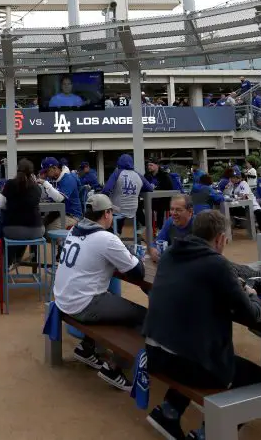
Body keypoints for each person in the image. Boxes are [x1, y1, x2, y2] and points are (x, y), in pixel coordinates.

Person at [143, 211, 261, 440]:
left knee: (190, 345)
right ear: (219, 239)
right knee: (257, 377)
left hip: (154, 353)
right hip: (184, 362)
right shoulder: (216, 263)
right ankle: (209, 433)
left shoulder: (169, 254)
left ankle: (168, 412)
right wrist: (252, 294)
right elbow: (251, 316)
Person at [53, 193, 146, 392]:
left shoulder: (73, 230)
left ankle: (87, 348)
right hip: (82, 305)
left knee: (111, 300)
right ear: (105, 214)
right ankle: (114, 368)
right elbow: (138, 272)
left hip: (62, 299)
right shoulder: (105, 238)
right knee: (143, 316)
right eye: (111, 212)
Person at [1, 160, 45, 248]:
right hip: (35, 230)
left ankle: (9, 259)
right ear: (32, 173)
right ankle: (34, 257)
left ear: (17, 170)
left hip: (12, 230)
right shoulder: (37, 188)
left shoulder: (9, 184)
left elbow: (1, 204)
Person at [101, 154, 149, 234]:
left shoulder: (117, 173)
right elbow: (149, 188)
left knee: (103, 209)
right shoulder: (138, 175)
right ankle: (118, 231)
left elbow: (106, 190)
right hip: (133, 210)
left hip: (118, 210)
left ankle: (111, 233)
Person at [150, 195, 195, 262]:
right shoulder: (170, 222)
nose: (173, 213)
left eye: (178, 210)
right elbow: (156, 242)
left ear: (190, 212)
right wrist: (153, 250)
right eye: (172, 209)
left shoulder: (199, 225)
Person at [38, 156, 82, 222]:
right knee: (40, 223)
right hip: (58, 214)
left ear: (54, 168)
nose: (46, 174)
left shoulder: (68, 178)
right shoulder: (52, 179)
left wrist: (45, 183)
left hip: (72, 216)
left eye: (47, 171)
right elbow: (45, 195)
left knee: (47, 229)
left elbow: (59, 198)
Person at [144, 161, 175, 229]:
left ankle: (159, 228)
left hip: (162, 202)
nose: (149, 167)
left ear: (157, 165)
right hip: (150, 202)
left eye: (151, 165)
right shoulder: (146, 176)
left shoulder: (165, 176)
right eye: (148, 165)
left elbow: (169, 190)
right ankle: (149, 228)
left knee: (160, 210)